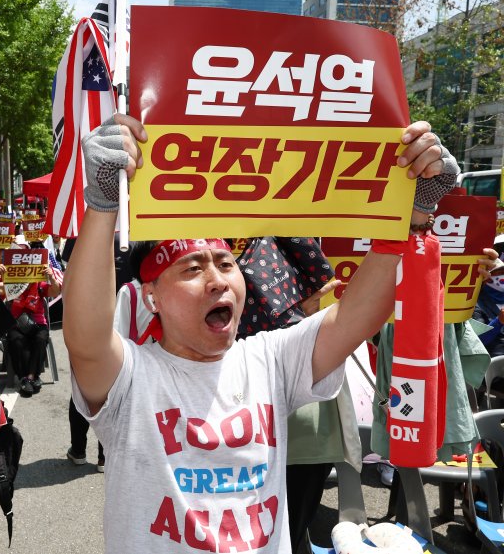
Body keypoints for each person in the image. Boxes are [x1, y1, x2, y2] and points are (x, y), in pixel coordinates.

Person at [62, 113, 459, 553]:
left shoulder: (268, 359)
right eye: (193, 269)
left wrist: (413, 215)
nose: (217, 280)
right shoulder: (130, 380)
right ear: (151, 295)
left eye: (226, 263)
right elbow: (85, 337)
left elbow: (356, 318)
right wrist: (101, 204)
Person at [8, 265, 62, 396]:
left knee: (40, 339)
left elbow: (55, 292)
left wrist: (51, 277)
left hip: (38, 323)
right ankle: (25, 377)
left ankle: (31, 376)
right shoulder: (11, 283)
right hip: (17, 323)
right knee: (16, 340)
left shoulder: (39, 284)